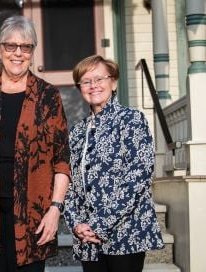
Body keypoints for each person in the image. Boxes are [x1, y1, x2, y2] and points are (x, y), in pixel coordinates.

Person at [0, 16, 70, 272]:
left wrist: (55, 209)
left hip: (33, 214)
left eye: (26, 47)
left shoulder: (48, 95)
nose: (18, 53)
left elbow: (62, 160)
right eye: (11, 46)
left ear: (33, 52)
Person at [64, 55, 164, 272]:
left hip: (126, 234)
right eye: (86, 81)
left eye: (99, 79)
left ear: (114, 82)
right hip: (87, 239)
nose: (93, 86)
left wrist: (98, 225)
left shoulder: (132, 120)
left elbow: (139, 176)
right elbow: (69, 182)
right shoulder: (77, 132)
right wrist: (76, 224)